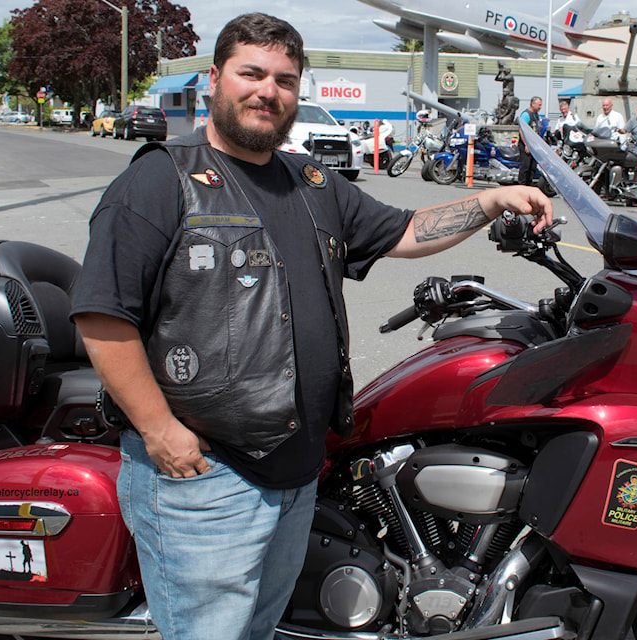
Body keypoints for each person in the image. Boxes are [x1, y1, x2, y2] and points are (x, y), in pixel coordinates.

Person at [70, 13, 552, 640]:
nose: (268, 91)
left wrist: (492, 201)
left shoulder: (313, 184)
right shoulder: (160, 179)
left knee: (259, 628)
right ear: (214, 79)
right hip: (205, 476)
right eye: (252, 73)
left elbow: (404, 230)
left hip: (295, 471)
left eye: (285, 80)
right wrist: (160, 431)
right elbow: (104, 315)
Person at [517, 96, 543, 185]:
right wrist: (526, 144)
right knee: (525, 166)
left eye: (541, 105)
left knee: (532, 167)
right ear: (533, 103)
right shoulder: (526, 114)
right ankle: (521, 185)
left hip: (533, 145)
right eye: (539, 105)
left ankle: (529, 185)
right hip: (526, 145)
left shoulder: (536, 115)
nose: (540, 107)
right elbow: (522, 130)